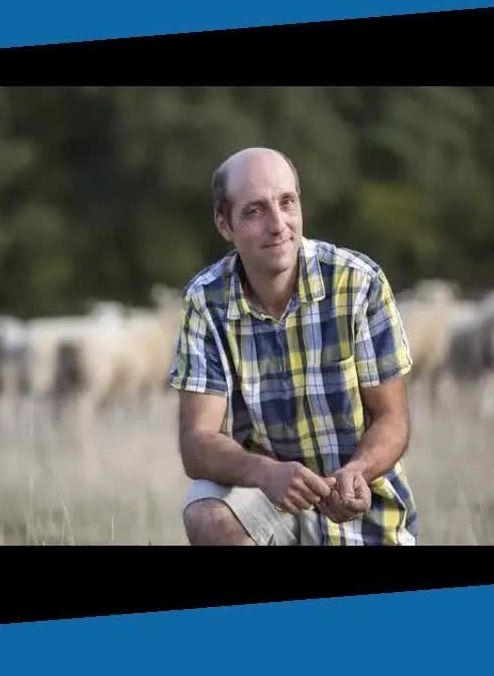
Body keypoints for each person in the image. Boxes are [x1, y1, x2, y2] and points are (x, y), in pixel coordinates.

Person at [168, 147, 419, 545]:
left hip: (363, 507)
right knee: (208, 516)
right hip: (266, 499)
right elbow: (197, 443)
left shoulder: (359, 284)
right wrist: (265, 473)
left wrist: (358, 471)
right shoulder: (205, 302)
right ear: (223, 224)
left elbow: (393, 419)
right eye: (254, 211)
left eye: (287, 202)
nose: (278, 224)